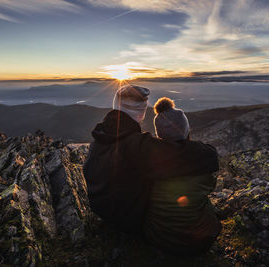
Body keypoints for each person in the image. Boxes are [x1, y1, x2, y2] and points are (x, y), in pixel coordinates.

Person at [83, 84, 219, 238]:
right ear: (141, 113)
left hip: (104, 212)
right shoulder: (137, 146)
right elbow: (206, 157)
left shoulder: (99, 138)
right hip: (127, 221)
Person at [144, 97, 221, 255]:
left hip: (157, 239)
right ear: (186, 130)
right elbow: (210, 185)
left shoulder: (146, 158)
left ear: (159, 134)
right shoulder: (206, 155)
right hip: (201, 241)